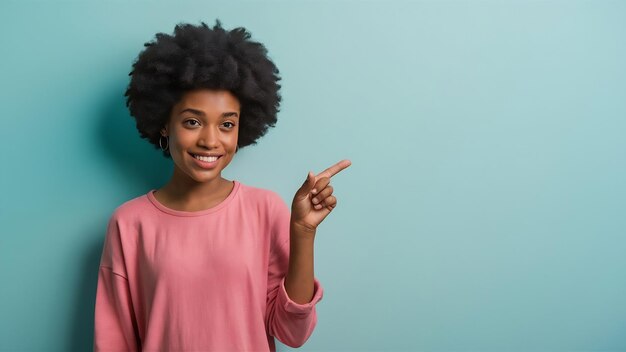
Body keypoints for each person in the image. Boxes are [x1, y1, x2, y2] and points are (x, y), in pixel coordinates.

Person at [93, 20, 351, 351]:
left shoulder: (264, 209)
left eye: (226, 124)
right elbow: (114, 342)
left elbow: (293, 334)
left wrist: (302, 231)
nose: (210, 140)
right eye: (192, 122)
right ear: (163, 125)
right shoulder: (129, 224)